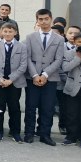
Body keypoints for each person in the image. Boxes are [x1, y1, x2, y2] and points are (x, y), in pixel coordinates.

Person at [23, 8, 65, 145]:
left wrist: (45, 74)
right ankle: (29, 133)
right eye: (40, 19)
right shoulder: (30, 37)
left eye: (46, 19)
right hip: (32, 77)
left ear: (51, 19)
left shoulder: (59, 39)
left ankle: (45, 134)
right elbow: (27, 58)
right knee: (30, 107)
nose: (43, 21)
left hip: (50, 78)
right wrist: (35, 75)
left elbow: (58, 60)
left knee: (47, 108)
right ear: (37, 20)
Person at [0, 21, 27, 143]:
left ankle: (15, 132)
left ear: (15, 32)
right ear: (1, 32)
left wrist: (10, 79)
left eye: (10, 31)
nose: (8, 33)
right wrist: (0, 78)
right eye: (5, 31)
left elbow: (23, 65)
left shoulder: (22, 47)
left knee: (14, 107)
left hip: (14, 82)